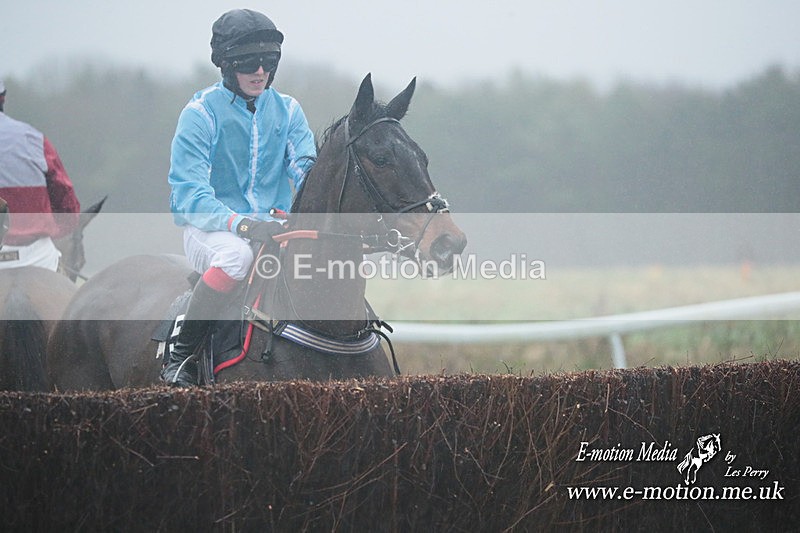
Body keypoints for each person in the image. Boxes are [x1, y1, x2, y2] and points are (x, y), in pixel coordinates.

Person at [161, 9, 316, 387]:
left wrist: (306, 210)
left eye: (268, 62)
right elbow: (190, 196)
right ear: (227, 64)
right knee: (237, 255)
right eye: (249, 63)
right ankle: (181, 357)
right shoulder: (199, 114)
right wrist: (243, 223)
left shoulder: (289, 111)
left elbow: (305, 169)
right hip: (210, 230)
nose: (260, 71)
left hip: (274, 226)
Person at [0, 79, 81, 271]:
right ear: (3, 99)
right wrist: (57, 229)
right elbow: (66, 202)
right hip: (36, 257)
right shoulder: (34, 139)